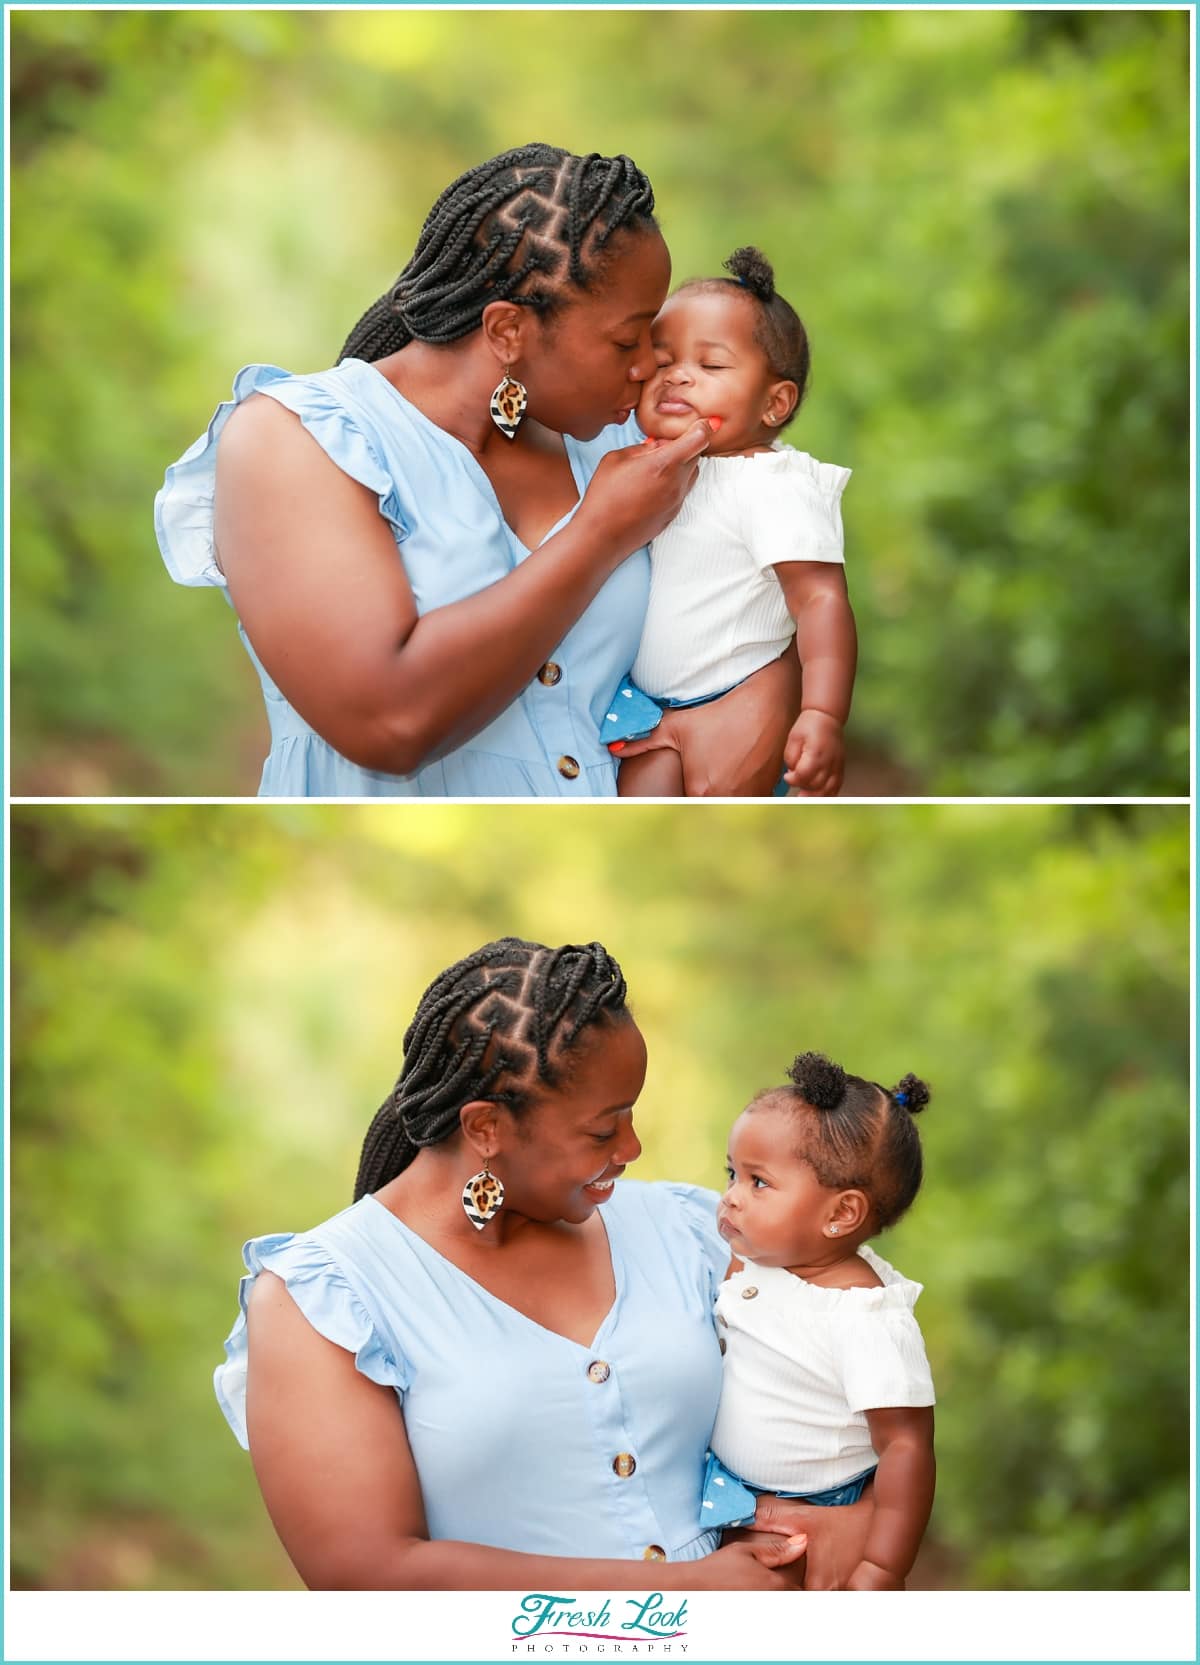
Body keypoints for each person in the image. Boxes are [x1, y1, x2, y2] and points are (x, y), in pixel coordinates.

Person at [213, 938, 872, 1589]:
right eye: (603, 1128)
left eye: (632, 1115)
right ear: (486, 1128)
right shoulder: (324, 1302)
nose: (633, 1145)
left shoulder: (692, 1232)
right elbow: (369, 1571)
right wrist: (687, 1590)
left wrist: (850, 1513)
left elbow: (853, 1365)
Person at [154, 145, 799, 797]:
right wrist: (599, 534)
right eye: (626, 341)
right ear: (508, 330)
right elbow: (389, 722)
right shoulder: (293, 440)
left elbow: (757, 599)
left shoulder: (625, 447)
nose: (647, 369)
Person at [604, 247, 856, 798]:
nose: (678, 379)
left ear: (775, 403)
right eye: (663, 361)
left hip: (734, 699)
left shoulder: (771, 484)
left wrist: (821, 712)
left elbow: (819, 599)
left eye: (710, 366)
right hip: (652, 713)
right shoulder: (646, 466)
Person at [702, 1051, 936, 1590]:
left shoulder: (863, 1316)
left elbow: (907, 1446)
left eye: (758, 1183)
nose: (731, 1197)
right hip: (735, 1495)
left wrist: (882, 1565)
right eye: (731, 1174)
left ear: (840, 1215)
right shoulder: (767, 1262)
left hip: (813, 1510)